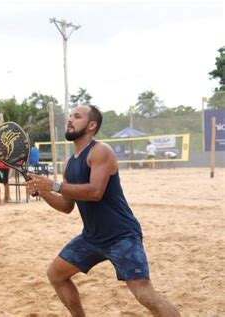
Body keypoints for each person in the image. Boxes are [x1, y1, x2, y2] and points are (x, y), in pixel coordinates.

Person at [26, 105, 180, 316]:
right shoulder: (69, 163)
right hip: (92, 237)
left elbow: (95, 191)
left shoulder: (101, 151)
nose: (70, 120)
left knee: (144, 294)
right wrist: (43, 192)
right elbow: (66, 206)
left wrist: (53, 185)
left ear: (92, 125)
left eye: (77, 116)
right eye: (70, 116)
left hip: (121, 235)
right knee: (56, 274)